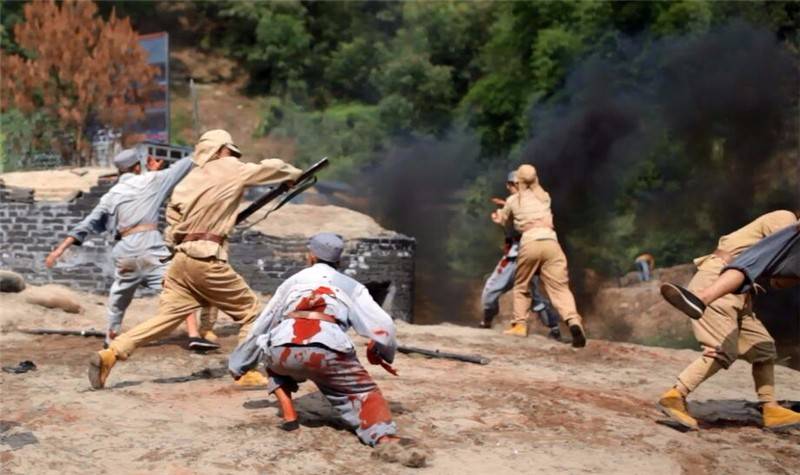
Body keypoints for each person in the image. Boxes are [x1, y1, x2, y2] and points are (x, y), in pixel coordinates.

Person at [87, 129, 303, 390]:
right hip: (206, 256)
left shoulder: (188, 181)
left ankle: (112, 352)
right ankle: (245, 370)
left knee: (166, 318)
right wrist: (293, 175)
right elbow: (275, 168)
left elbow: (172, 223)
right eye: (230, 151)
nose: (232, 155)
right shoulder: (231, 167)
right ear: (222, 149)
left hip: (180, 259)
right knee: (252, 312)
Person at [228, 233, 424, 466]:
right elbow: (384, 326)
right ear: (338, 260)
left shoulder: (291, 282)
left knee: (270, 352)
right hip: (327, 349)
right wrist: (383, 351)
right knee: (363, 392)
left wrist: (239, 364)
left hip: (284, 349)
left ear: (311, 256)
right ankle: (383, 436)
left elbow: (263, 323)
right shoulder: (352, 286)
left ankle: (289, 412)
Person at [45, 148, 216, 351]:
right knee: (180, 287)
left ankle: (111, 338)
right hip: (150, 247)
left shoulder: (111, 195)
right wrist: (208, 146)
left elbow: (86, 224)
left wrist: (58, 250)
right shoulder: (151, 180)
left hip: (125, 252)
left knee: (118, 300)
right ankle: (194, 335)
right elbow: (186, 164)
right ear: (137, 166)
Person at [656, 210, 800, 431]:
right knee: (723, 350)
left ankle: (771, 409)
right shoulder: (786, 220)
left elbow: (778, 282)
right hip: (719, 279)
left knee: (763, 347)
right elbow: (779, 259)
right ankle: (675, 396)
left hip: (741, 291)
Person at [492, 164, 586, 347]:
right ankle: (573, 321)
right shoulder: (544, 197)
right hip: (551, 242)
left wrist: (498, 215)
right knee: (560, 288)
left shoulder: (513, 200)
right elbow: (532, 201)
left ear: (516, 181)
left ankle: (519, 325)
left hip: (531, 242)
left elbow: (503, 220)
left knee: (521, 285)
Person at [661, 217, 799, 319]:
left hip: (725, 279)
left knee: (750, 261)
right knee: (765, 354)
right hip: (724, 278)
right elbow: (778, 282)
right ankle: (701, 299)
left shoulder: (786, 220)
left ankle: (702, 298)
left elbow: (777, 277)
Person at [480, 171, 562, 340]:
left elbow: (517, 218)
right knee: (493, 290)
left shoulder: (530, 202)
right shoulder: (524, 201)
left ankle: (554, 328)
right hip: (519, 253)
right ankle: (487, 320)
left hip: (523, 253)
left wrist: (502, 217)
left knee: (532, 295)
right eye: (515, 185)